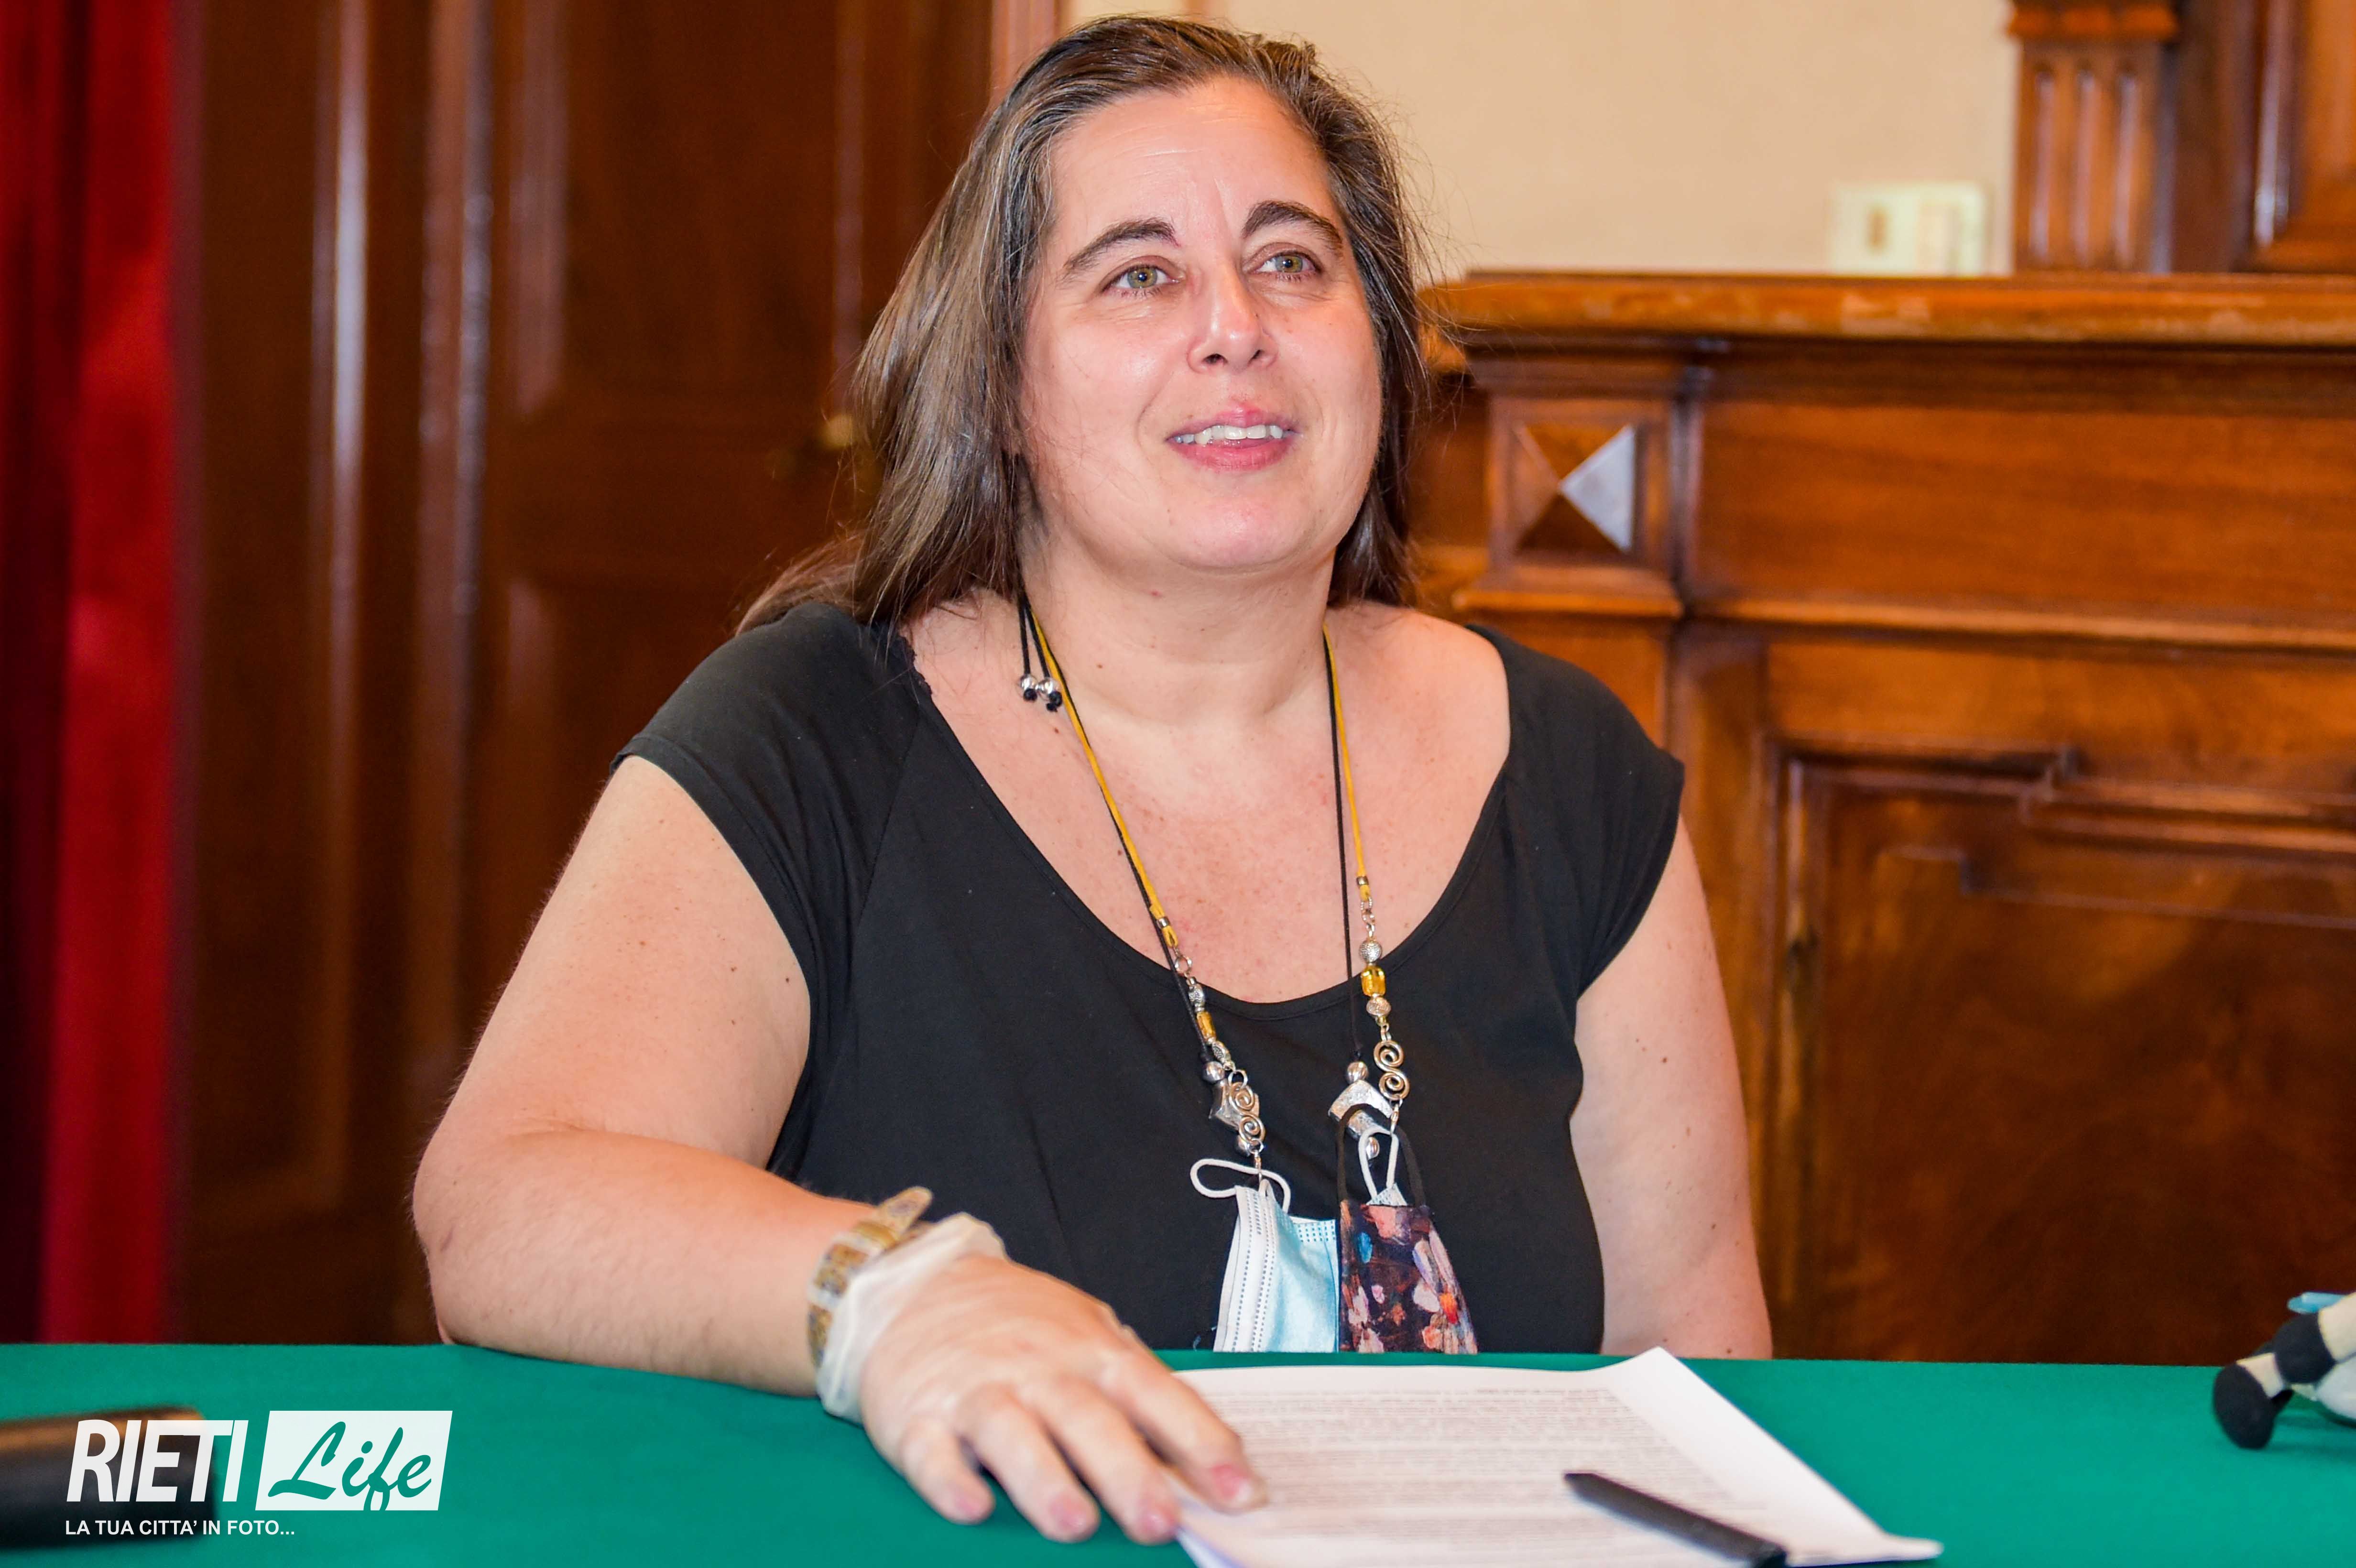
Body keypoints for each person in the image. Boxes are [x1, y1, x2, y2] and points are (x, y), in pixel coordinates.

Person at [412, 15, 1769, 1548]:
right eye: (1138, 275)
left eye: (1292, 262)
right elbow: (506, 1207)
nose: (1234, 328)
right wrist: (889, 1300)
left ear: (1381, 350)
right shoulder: (812, 736)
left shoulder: (1573, 771)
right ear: (999, 386)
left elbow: (1697, 1377)